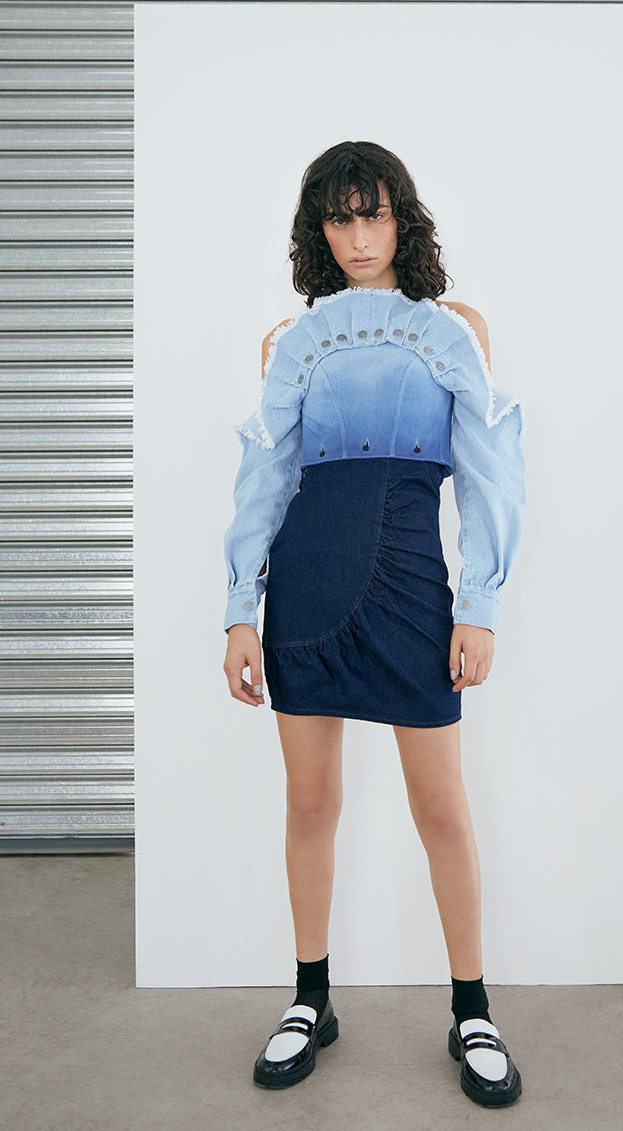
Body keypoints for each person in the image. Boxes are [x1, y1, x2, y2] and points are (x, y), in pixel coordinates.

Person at [222, 140, 526, 1108]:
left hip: (410, 581)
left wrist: (479, 604)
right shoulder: (287, 340)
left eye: (375, 214)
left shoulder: (453, 329)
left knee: (441, 806)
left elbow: (489, 474)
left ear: (403, 220)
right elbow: (265, 479)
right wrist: (238, 610)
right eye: (340, 217)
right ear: (319, 230)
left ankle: (472, 1009)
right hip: (304, 584)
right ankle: (310, 997)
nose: (359, 236)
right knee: (310, 802)